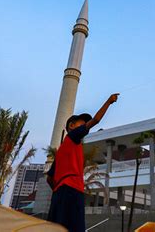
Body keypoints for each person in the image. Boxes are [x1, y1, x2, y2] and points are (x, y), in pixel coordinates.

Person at [47, 93, 119, 231]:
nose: (85, 125)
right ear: (72, 126)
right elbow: (96, 120)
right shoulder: (73, 136)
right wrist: (109, 101)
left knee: (55, 228)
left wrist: (59, 189)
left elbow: (49, 178)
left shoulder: (63, 148)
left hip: (59, 194)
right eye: (82, 122)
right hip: (72, 190)